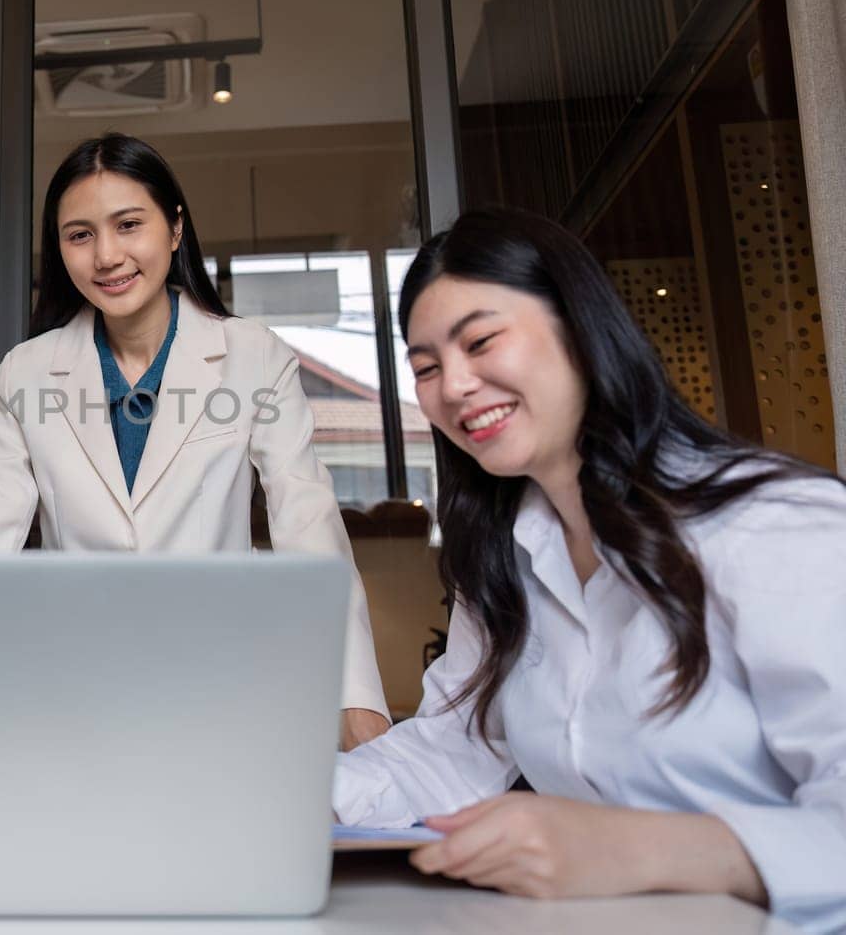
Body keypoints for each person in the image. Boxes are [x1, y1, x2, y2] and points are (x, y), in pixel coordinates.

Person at [334, 207, 846, 932]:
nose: (453, 385)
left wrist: (647, 849)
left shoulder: (775, 524)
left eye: (481, 341)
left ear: (579, 327)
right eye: (425, 368)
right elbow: (452, 747)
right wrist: (290, 794)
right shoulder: (504, 553)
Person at [0, 133, 390, 748]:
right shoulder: (24, 375)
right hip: (73, 702)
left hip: (225, 691)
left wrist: (354, 703)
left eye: (129, 224)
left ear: (175, 228)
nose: (106, 255)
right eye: (80, 235)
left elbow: (309, 528)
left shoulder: (253, 355)